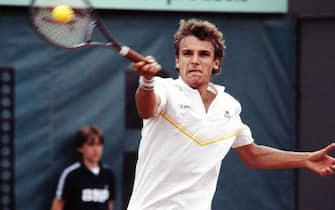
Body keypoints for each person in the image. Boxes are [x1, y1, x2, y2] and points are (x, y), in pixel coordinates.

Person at [127, 18, 335, 210]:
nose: (195, 60)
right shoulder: (164, 89)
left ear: (216, 63)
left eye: (204, 54)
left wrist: (306, 159)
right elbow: (146, 109)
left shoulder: (229, 106)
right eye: (187, 53)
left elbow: (253, 155)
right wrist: (147, 81)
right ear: (177, 61)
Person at [51, 125, 115, 210]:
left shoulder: (108, 174)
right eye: (91, 145)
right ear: (80, 147)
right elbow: (58, 204)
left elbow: (110, 204)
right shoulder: (71, 174)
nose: (96, 149)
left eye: (99, 144)